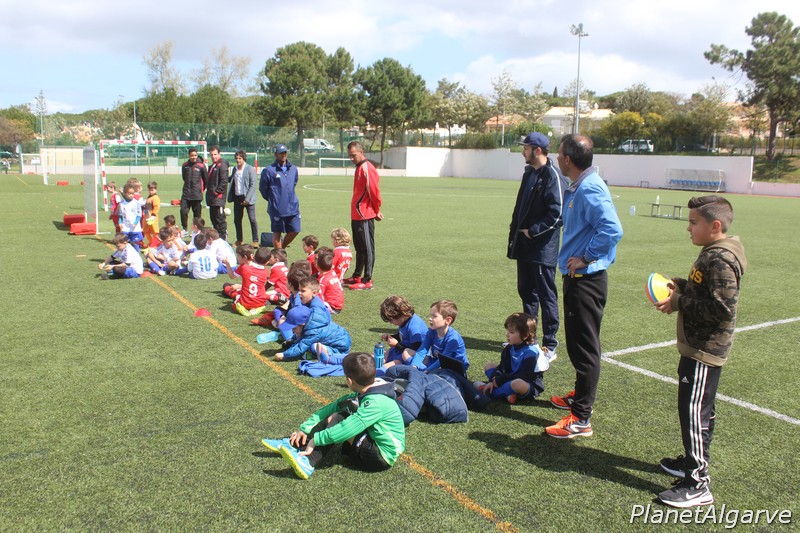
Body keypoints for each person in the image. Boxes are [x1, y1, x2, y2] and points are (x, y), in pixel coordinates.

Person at [653, 196, 747, 508]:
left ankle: (697, 483)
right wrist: (680, 286)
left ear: (715, 225)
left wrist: (678, 302)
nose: (688, 228)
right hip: (697, 346)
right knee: (698, 410)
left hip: (706, 349)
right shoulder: (711, 253)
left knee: (694, 412)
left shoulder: (720, 260)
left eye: (694, 223)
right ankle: (692, 461)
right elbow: (704, 291)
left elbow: (722, 309)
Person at [545, 134, 623, 439]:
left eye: (559, 154)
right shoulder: (580, 185)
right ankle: (579, 397)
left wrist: (586, 257)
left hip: (586, 280)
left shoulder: (589, 187)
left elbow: (612, 229)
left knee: (585, 348)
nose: (556, 158)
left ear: (567, 159)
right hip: (578, 277)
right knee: (578, 344)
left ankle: (580, 419)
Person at [261, 352, 406, 480]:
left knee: (339, 419)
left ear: (349, 380)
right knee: (337, 413)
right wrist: (304, 429)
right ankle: (295, 443)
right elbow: (332, 408)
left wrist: (316, 440)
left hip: (381, 456)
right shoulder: (370, 390)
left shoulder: (376, 402)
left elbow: (347, 429)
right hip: (372, 441)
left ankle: (308, 462)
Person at [508, 132, 567, 361]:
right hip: (524, 247)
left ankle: (550, 344)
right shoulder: (529, 173)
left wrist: (533, 231)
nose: (523, 151)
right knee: (526, 292)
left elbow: (557, 214)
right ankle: (528, 339)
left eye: (526, 148)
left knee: (546, 296)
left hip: (542, 250)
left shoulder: (553, 176)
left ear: (538, 150)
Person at [474, 313, 548, 405]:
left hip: (527, 384)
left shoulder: (531, 352)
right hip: (511, 377)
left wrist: (501, 380)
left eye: (511, 332)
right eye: (507, 331)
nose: (507, 334)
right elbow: (503, 367)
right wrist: (493, 380)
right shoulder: (510, 347)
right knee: (489, 365)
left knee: (517, 383)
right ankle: (506, 392)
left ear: (525, 336)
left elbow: (525, 376)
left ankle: (490, 392)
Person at [275, 277, 349, 363]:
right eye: (299, 290)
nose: (299, 293)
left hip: (340, 347)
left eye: (303, 291)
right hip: (323, 335)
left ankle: (332, 356)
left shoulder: (316, 312)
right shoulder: (310, 311)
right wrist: (293, 339)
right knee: (305, 339)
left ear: (314, 293)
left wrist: (284, 355)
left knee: (314, 346)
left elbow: (302, 345)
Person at [345, 141, 383, 290]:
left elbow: (374, 192)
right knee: (359, 248)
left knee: (367, 248)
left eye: (353, 155)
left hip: (365, 215)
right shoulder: (359, 168)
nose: (351, 158)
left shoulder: (367, 168)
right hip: (356, 214)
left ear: (361, 152)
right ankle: (357, 276)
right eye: (349, 156)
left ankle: (367, 280)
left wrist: (376, 210)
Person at [409, 300, 469, 375]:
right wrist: (413, 367)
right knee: (407, 355)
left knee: (436, 374)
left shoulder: (453, 339)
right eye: (430, 315)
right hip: (437, 362)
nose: (430, 318)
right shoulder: (431, 332)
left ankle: (425, 373)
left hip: (453, 368)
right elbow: (422, 351)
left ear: (448, 320)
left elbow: (443, 361)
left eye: (434, 316)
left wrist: (426, 371)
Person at [260, 143, 301, 249]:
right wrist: (274, 200)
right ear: (276, 154)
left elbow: (294, 183)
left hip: (293, 206)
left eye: (285, 152)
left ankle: (281, 250)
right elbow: (263, 189)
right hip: (277, 208)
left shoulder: (293, 169)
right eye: (281, 153)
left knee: (295, 230)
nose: (283, 155)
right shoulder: (269, 170)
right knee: (277, 232)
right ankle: (279, 256)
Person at [379, 295, 428, 368]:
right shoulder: (404, 320)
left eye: (391, 320)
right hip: (401, 349)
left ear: (400, 315)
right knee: (377, 357)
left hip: (411, 355)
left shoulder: (414, 327)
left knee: (385, 368)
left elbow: (415, 350)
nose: (390, 323)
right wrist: (391, 337)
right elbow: (403, 336)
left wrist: (396, 345)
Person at [223, 245, 270, 316]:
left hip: (245, 303)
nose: (237, 258)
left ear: (245, 257)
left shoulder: (244, 267)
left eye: (238, 256)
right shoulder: (266, 271)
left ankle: (240, 307)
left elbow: (231, 276)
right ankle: (259, 307)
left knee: (227, 287)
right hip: (260, 302)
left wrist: (227, 264)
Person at [226, 149, 259, 247]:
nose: (238, 160)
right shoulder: (235, 169)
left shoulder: (250, 169)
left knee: (252, 219)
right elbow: (231, 179)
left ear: (244, 158)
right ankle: (239, 240)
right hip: (237, 198)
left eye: (240, 158)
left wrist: (247, 199)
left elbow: (253, 185)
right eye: (236, 158)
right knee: (237, 220)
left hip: (249, 199)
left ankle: (255, 241)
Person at [180, 148, 207, 234]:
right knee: (183, 211)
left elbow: (206, 180)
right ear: (189, 155)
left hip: (197, 194)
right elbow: (184, 178)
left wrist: (200, 190)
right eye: (192, 155)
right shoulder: (184, 165)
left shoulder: (201, 166)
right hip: (186, 194)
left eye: (195, 155)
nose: (194, 157)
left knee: (197, 215)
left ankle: (197, 230)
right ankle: (185, 229)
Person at [206, 146, 230, 241]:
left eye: (215, 154)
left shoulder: (222, 165)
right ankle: (217, 240)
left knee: (220, 221)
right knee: (214, 220)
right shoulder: (213, 166)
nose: (213, 156)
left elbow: (224, 181)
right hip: (212, 199)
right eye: (211, 155)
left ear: (219, 154)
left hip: (218, 198)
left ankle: (224, 240)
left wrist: (217, 191)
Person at [315, 247, 344, 314]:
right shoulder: (332, 272)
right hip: (338, 305)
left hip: (332, 307)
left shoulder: (323, 281)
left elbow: (319, 297)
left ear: (317, 266)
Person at [117, 183, 144, 252]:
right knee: (125, 244)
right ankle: (126, 256)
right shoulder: (122, 203)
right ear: (125, 193)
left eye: (132, 193)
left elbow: (138, 215)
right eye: (129, 193)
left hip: (135, 228)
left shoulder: (136, 203)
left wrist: (135, 223)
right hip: (126, 227)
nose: (131, 195)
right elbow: (121, 215)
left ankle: (137, 256)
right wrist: (120, 222)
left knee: (135, 243)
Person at [142, 181, 161, 249]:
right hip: (147, 217)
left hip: (153, 218)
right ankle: (152, 243)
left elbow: (156, 207)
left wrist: (153, 216)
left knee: (155, 232)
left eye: (152, 190)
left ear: (156, 190)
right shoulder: (149, 197)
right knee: (145, 231)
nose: (151, 191)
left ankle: (156, 244)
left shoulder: (155, 198)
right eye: (150, 190)